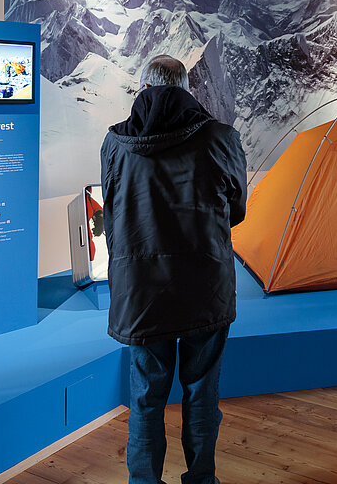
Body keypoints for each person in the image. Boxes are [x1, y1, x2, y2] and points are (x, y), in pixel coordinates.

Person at [100, 54, 246, 484]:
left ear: (143, 87)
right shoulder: (221, 137)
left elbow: (112, 212)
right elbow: (235, 210)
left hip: (140, 290)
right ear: (187, 88)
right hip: (205, 284)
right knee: (201, 392)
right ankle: (202, 480)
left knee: (146, 396)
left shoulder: (114, 143)